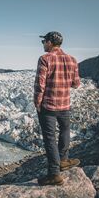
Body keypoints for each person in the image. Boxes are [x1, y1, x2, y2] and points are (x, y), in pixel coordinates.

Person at [34, 31, 81, 186]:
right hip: (65, 104)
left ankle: (54, 174)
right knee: (65, 131)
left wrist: (37, 103)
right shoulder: (72, 59)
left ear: (50, 42)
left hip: (48, 105)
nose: (43, 45)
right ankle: (64, 160)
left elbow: (40, 84)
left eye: (44, 42)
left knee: (50, 138)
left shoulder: (45, 59)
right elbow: (76, 84)